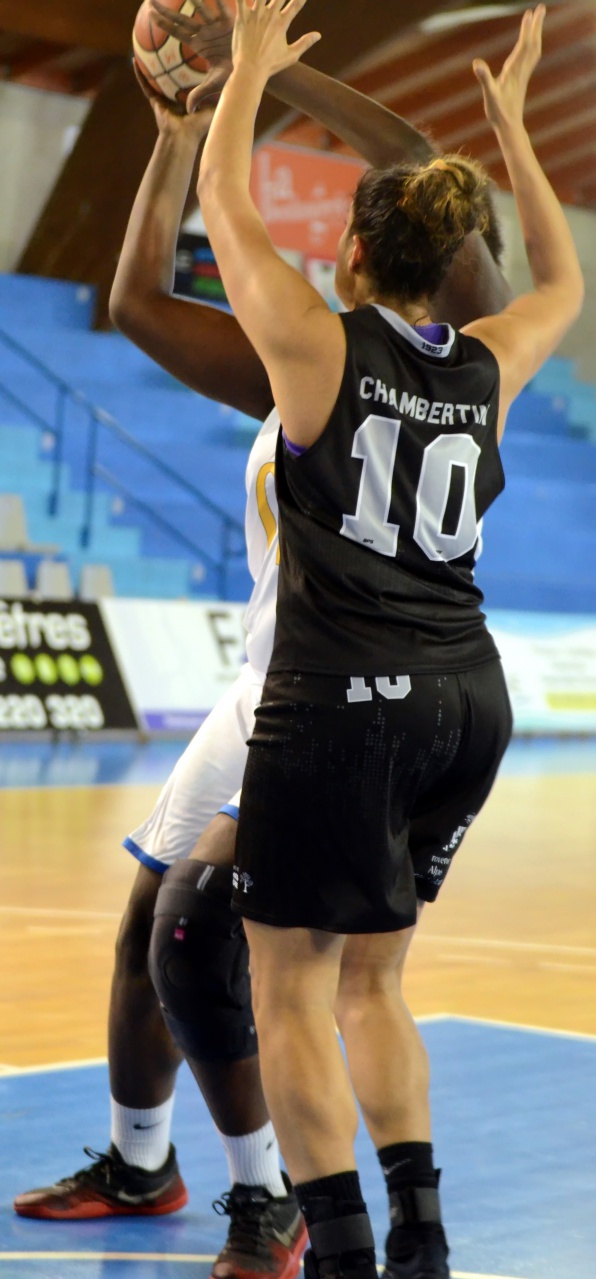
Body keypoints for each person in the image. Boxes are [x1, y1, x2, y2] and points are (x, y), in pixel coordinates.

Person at [14, 6, 514, 1277]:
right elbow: (135, 301)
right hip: (270, 683)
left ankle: (275, 1199)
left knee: (200, 931)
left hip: (349, 689)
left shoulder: (453, 354)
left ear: (370, 251)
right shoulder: (303, 361)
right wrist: (176, 129)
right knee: (148, 929)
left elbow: (422, 171)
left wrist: (274, 78)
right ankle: (143, 1162)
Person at [192, 4, 584, 1279]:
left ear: (351, 254)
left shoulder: (314, 349)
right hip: (467, 704)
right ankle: (421, 1235)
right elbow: (563, 280)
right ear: (446, 258)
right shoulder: (485, 363)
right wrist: (514, 129)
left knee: (288, 986)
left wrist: (246, 75)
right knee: (375, 981)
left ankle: (346, 1255)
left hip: (340, 705)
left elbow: (225, 210)